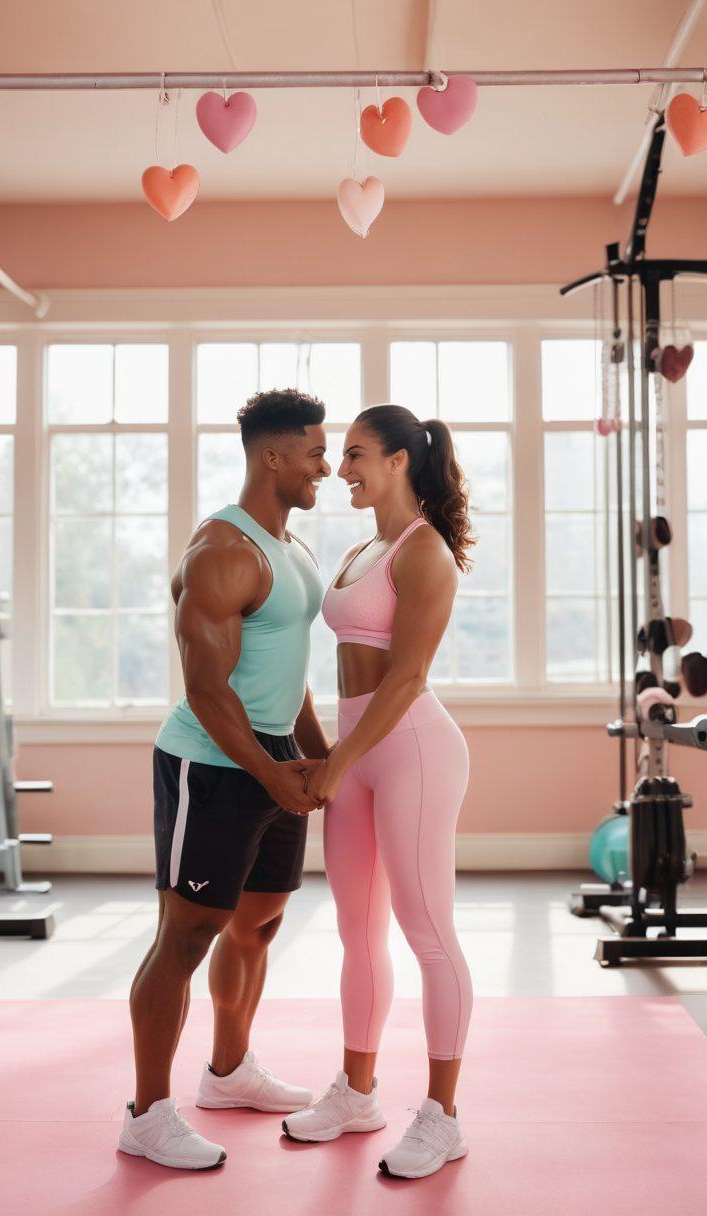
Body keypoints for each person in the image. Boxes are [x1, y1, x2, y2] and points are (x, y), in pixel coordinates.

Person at [119, 388, 332, 1171]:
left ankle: (230, 1070)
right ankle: (146, 1113)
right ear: (272, 456)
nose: (325, 466)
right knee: (186, 936)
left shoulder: (294, 549)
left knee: (260, 921)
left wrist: (322, 757)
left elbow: (289, 673)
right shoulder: (221, 551)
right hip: (211, 765)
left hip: (271, 758)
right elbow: (208, 692)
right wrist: (274, 776)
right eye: (314, 451)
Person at [283, 404, 476, 1182]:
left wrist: (333, 762)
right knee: (356, 932)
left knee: (426, 931)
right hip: (356, 752)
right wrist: (329, 755)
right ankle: (358, 1092)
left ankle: (443, 1117)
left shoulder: (423, 551)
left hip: (411, 752)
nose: (342, 469)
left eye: (358, 454)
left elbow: (407, 680)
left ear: (400, 460)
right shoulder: (362, 547)